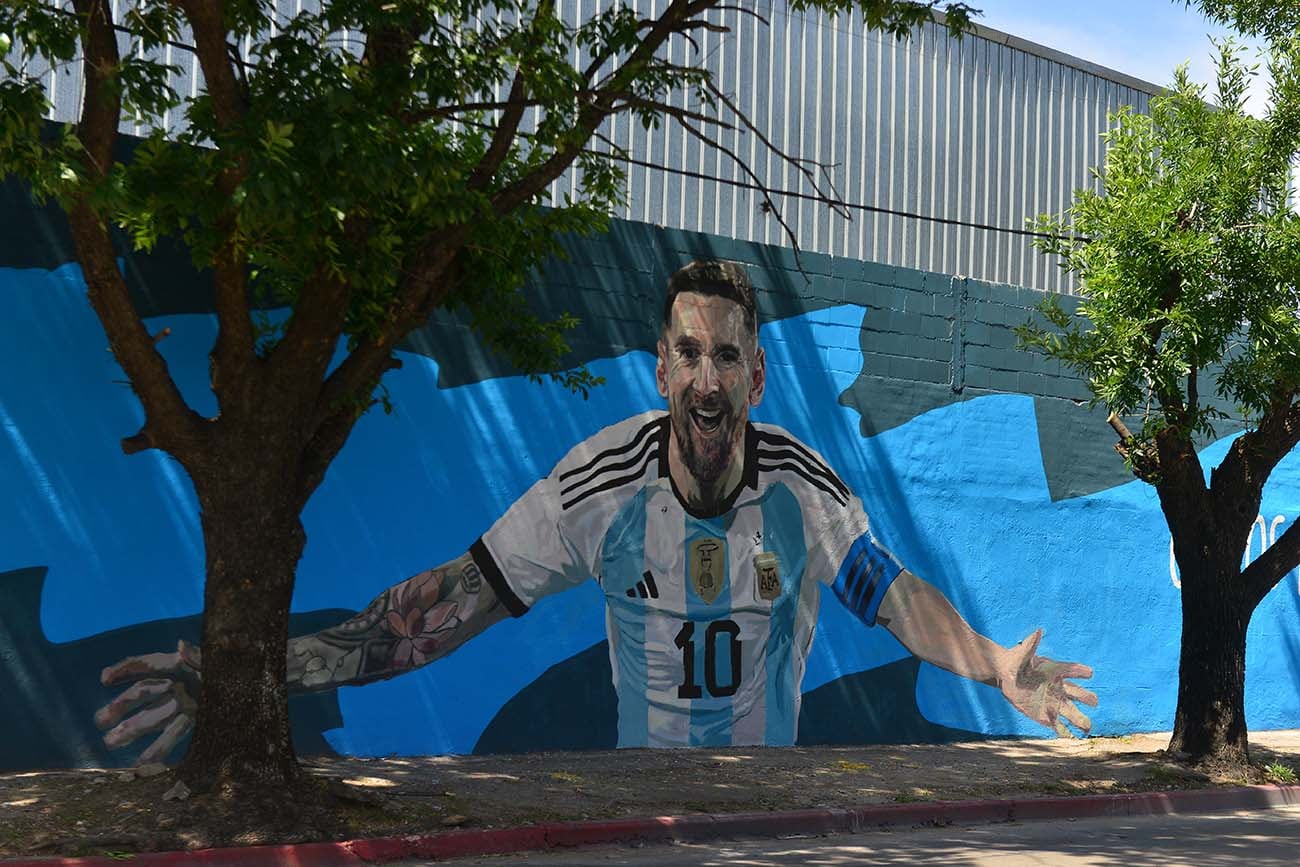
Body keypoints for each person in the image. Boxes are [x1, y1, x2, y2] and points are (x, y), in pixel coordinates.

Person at [97, 260, 1097, 761]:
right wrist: (228, 674)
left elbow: (894, 594)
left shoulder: (799, 480)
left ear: (756, 378)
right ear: (663, 366)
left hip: (766, 812)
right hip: (643, 804)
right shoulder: (597, 482)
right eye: (688, 354)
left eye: (728, 358)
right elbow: (412, 627)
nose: (706, 379)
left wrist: (994, 663)